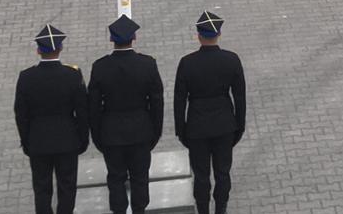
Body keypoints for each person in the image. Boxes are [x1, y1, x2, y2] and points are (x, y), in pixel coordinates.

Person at [91, 16, 164, 214]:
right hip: (141, 132)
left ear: (111, 39)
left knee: (116, 178)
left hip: (111, 134)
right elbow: (157, 103)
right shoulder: (147, 64)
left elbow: (93, 107)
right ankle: (139, 209)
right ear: (134, 37)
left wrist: (97, 136)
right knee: (140, 177)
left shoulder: (100, 67)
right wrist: (155, 132)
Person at [175, 12, 246, 214]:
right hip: (225, 126)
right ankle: (221, 209)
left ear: (199, 36)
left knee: (201, 175)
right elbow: (240, 97)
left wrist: (181, 130)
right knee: (223, 173)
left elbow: (179, 100)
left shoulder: (187, 63)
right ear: (219, 34)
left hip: (197, 128)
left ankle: (203, 209)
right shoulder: (231, 60)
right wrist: (239, 126)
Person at [17, 25, 88, 214]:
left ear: (38, 50)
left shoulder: (26, 77)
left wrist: (26, 141)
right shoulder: (72, 75)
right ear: (60, 48)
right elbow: (82, 111)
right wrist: (83, 139)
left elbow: (21, 114)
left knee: (41, 188)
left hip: (38, 142)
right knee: (67, 186)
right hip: (67, 141)